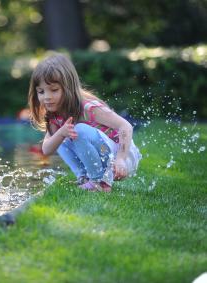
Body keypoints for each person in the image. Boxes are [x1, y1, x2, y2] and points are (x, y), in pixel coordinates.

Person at [28, 53, 142, 192]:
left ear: (68, 87)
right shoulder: (53, 114)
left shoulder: (89, 108)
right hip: (105, 156)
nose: (47, 97)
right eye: (41, 91)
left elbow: (125, 126)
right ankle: (84, 178)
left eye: (54, 90)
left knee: (78, 130)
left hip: (121, 156)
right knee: (60, 136)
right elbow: (47, 149)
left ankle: (98, 182)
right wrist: (61, 133)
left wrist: (121, 159)